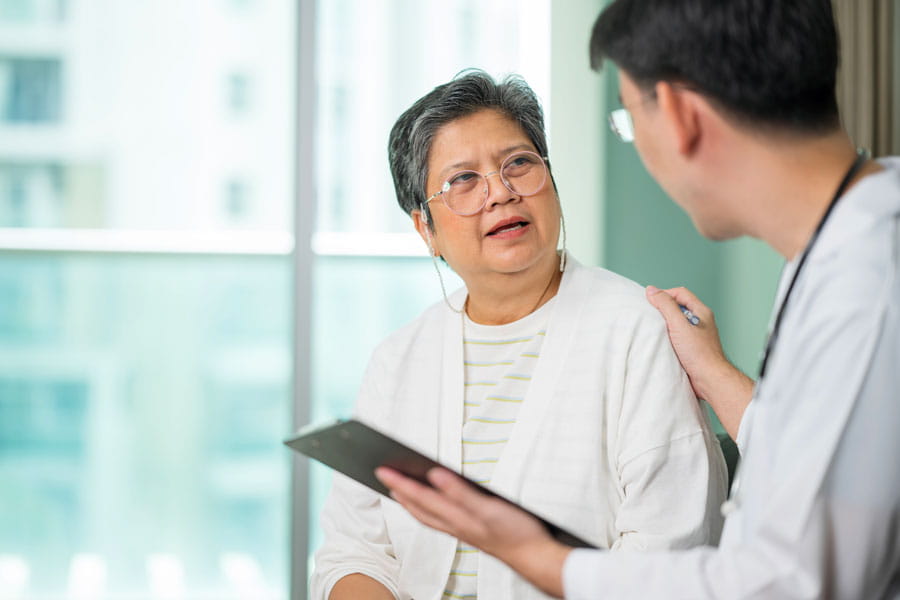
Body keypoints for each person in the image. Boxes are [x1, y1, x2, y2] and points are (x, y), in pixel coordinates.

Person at [376, 1, 900, 598]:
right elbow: (834, 471)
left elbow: (788, 581)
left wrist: (534, 556)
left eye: (628, 122)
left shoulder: (867, 284)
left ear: (678, 114)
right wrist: (719, 376)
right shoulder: (842, 255)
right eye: (464, 180)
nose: (499, 194)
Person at [311, 70, 728, 600]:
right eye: (463, 180)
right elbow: (353, 551)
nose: (501, 193)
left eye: (519, 164)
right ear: (426, 230)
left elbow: (670, 555)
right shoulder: (398, 359)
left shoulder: (639, 330)